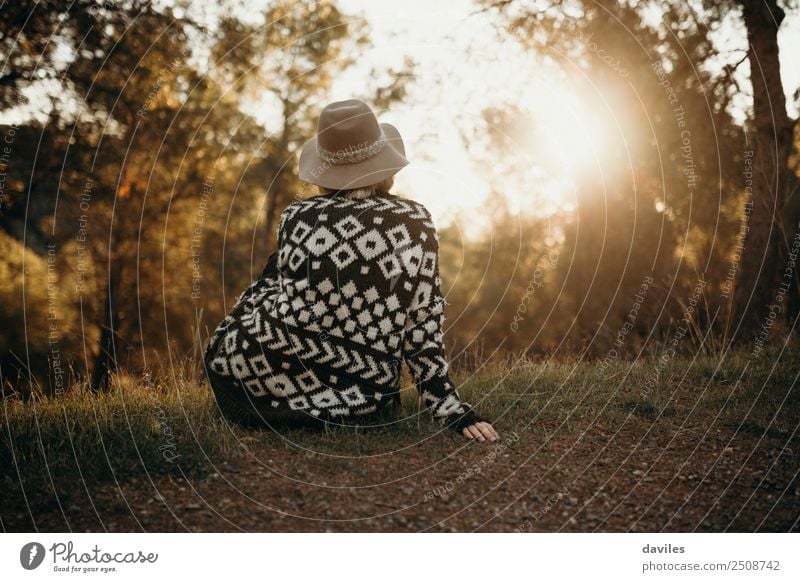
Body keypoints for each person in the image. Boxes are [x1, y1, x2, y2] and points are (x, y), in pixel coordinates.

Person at [204, 98, 499, 442]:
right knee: (279, 276)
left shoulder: (296, 217)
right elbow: (422, 326)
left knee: (270, 278)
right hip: (363, 399)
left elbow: (286, 297)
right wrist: (449, 408)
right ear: (384, 164)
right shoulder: (416, 223)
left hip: (253, 379)